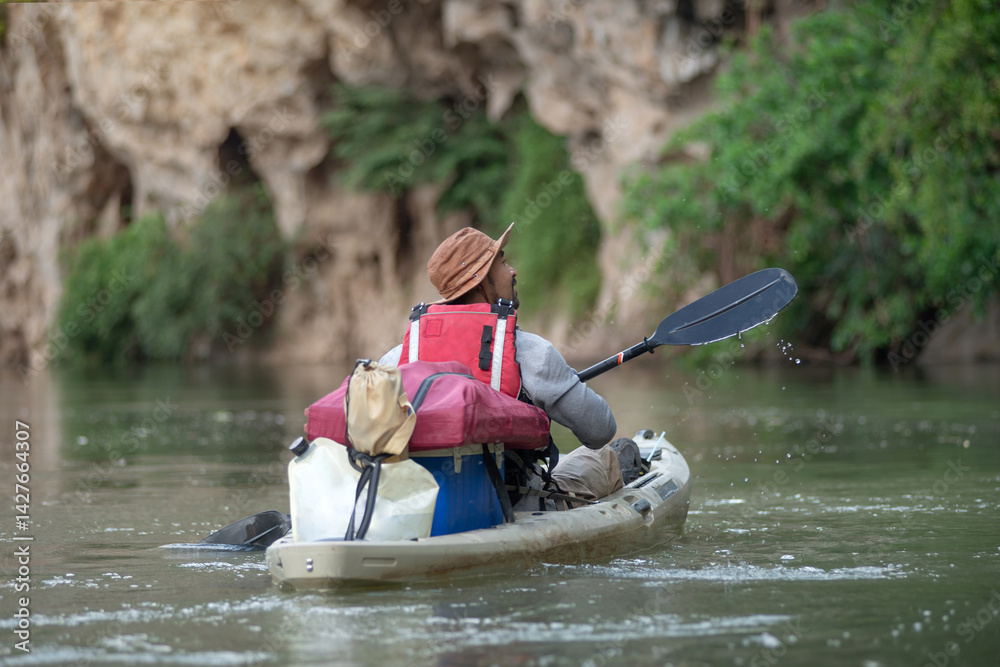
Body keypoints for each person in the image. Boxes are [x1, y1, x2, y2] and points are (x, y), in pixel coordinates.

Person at [379, 223, 642, 507]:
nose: (513, 271)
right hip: (521, 507)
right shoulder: (533, 353)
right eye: (503, 263)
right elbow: (601, 431)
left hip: (424, 510)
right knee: (606, 456)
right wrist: (564, 383)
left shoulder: (395, 361)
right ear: (480, 281)